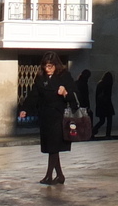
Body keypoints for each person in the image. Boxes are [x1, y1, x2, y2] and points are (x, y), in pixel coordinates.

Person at [18, 52, 78, 184]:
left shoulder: (64, 76)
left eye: (50, 66)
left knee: (53, 146)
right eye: (45, 66)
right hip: (46, 116)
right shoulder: (41, 78)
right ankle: (60, 176)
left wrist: (65, 93)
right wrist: (25, 109)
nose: (47, 69)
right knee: (51, 146)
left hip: (59, 116)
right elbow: (34, 95)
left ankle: (49, 176)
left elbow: (75, 95)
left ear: (56, 65)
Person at [94, 72, 115, 138]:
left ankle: (93, 130)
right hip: (106, 105)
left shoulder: (100, 84)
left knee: (102, 120)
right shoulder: (108, 84)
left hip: (101, 105)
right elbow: (108, 95)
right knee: (109, 120)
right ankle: (108, 134)